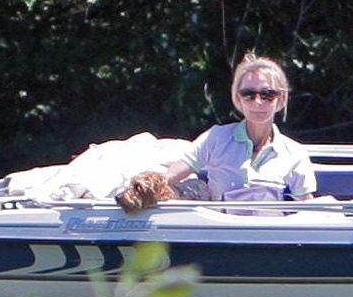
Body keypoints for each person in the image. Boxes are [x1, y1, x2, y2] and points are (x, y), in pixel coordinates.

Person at [117, 54, 317, 210]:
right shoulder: (216, 138)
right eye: (248, 94)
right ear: (237, 99)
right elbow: (168, 178)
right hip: (219, 231)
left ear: (281, 100)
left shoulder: (295, 153)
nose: (257, 102)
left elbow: (306, 207)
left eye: (267, 95)